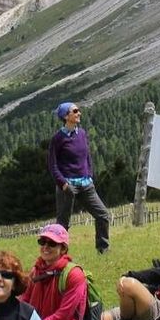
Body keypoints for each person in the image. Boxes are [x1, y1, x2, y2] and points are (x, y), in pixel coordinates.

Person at [49, 102, 111, 254]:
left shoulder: (82, 133)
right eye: (75, 111)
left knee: (102, 214)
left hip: (86, 184)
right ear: (66, 116)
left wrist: (89, 175)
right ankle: (59, 256)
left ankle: (103, 249)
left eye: (78, 110)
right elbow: (52, 165)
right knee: (63, 224)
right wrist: (63, 184)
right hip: (67, 185)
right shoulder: (57, 139)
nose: (79, 113)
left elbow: (87, 156)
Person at [21, 223, 87, 320]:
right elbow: (24, 301)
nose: (45, 247)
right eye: (42, 242)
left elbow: (62, 316)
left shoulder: (74, 275)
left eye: (51, 243)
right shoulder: (37, 271)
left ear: (63, 248)